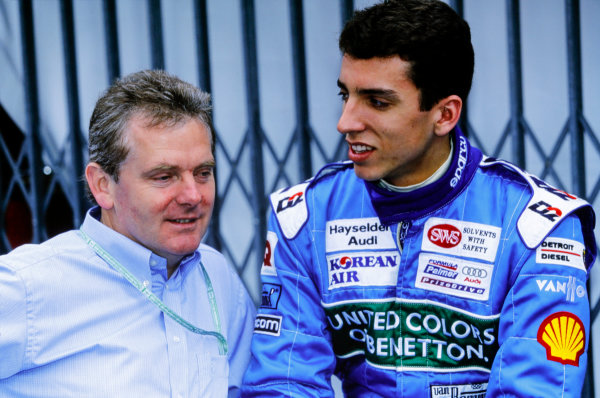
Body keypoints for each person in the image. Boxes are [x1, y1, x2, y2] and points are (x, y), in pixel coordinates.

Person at [241, 0, 597, 396]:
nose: (345, 122)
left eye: (377, 102)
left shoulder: (540, 226)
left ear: (444, 115)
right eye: (346, 95)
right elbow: (284, 381)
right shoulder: (304, 217)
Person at [0, 69, 255, 397]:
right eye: (164, 176)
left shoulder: (216, 276)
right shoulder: (28, 288)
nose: (193, 195)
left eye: (203, 173)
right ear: (102, 185)